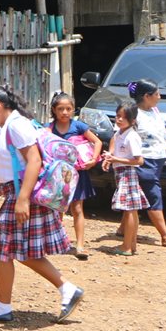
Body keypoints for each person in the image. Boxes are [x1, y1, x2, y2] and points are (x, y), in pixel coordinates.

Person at [0, 84, 84, 323]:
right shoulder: (11, 125)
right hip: (19, 192)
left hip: (24, 195)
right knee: (13, 249)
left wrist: (23, 199)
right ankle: (65, 290)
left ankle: (5, 306)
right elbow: (14, 168)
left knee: (3, 247)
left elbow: (34, 160)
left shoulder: (16, 125)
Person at [128, 79, 166, 248]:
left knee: (136, 195)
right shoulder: (133, 114)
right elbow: (122, 135)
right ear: (146, 96)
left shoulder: (154, 110)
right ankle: (165, 235)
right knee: (153, 195)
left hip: (157, 160)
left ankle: (124, 228)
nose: (159, 97)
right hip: (143, 161)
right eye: (157, 94)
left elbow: (160, 132)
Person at [46, 92, 102, 260]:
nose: (64, 112)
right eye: (61, 109)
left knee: (77, 209)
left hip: (78, 174)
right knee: (58, 209)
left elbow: (97, 142)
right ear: (54, 110)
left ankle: (79, 245)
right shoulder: (49, 128)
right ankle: (58, 242)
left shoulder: (79, 126)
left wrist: (93, 160)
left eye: (68, 109)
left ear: (73, 110)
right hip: (58, 176)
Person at [102, 101, 147, 256]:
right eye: (118, 116)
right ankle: (131, 244)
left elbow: (139, 160)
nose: (119, 119)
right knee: (131, 210)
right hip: (121, 173)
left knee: (129, 210)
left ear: (132, 121)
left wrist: (115, 160)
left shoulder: (132, 136)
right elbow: (114, 147)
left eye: (123, 117)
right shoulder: (119, 133)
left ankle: (126, 246)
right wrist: (109, 158)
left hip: (128, 173)